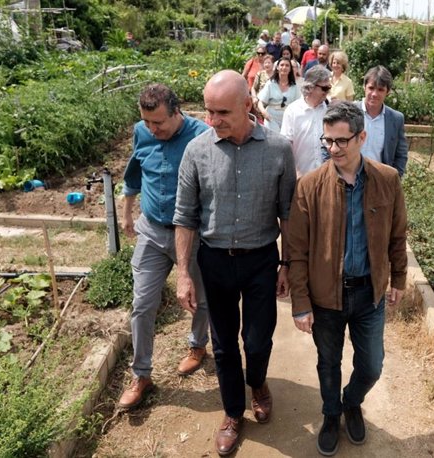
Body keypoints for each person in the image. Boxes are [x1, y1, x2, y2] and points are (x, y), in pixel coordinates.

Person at [174, 70, 296, 456]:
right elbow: (184, 215)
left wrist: (287, 264)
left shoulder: (278, 149)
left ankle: (257, 381)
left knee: (257, 341)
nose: (213, 120)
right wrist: (182, 274)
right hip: (214, 261)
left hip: (261, 259)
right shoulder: (197, 150)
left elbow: (287, 213)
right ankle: (232, 412)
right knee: (224, 346)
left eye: (222, 112)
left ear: (248, 105)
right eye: (209, 111)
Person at [287, 101, 408, 456]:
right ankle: (331, 414)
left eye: (342, 141)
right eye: (329, 141)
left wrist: (398, 278)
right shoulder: (309, 186)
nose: (334, 149)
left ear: (361, 137)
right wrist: (300, 302)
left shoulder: (387, 179)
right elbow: (296, 250)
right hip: (326, 296)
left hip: (369, 293)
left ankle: (352, 401)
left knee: (371, 364)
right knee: (328, 363)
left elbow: (397, 235)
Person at [117, 84, 210, 410]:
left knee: (201, 298)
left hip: (194, 235)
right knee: (142, 303)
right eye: (147, 122)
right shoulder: (142, 133)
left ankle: (197, 344)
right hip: (153, 232)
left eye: (159, 123)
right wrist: (127, 213)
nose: (152, 129)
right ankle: (141, 374)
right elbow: (134, 175)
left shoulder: (202, 136)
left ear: (177, 112)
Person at [357, 65, 409, 178]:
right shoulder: (349, 112)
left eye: (380, 89)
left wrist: (393, 180)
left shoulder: (396, 119)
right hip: (349, 182)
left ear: (388, 91)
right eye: (371, 88)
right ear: (364, 87)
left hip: (379, 183)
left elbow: (401, 155)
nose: (375, 94)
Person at [280, 65, 331, 177]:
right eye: (324, 88)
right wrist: (296, 173)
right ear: (311, 87)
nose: (327, 92)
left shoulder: (330, 109)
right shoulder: (292, 111)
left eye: (329, 88)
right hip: (301, 177)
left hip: (327, 178)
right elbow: (286, 146)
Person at [257, 58, 300, 132]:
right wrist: (264, 112)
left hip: (288, 118)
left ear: (290, 69)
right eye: (282, 65)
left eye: (287, 65)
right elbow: (260, 102)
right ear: (277, 67)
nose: (284, 67)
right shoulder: (270, 84)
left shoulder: (294, 86)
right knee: (273, 141)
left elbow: (299, 104)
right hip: (271, 118)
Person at [251, 54, 275, 121]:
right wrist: (254, 98)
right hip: (260, 104)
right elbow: (253, 88)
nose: (267, 65)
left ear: (273, 64)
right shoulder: (260, 74)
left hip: (272, 104)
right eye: (265, 63)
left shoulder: (277, 75)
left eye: (269, 63)